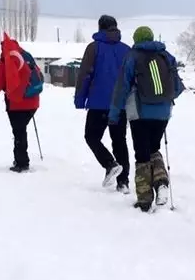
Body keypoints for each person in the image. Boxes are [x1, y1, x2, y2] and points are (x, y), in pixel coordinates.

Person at [108, 26, 184, 212]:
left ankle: (144, 200)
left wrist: (114, 113)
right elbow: (178, 87)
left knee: (142, 154)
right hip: (164, 113)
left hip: (139, 112)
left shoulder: (132, 57)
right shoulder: (166, 56)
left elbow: (122, 87)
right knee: (154, 148)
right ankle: (161, 183)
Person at [75, 14, 132, 190]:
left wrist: (80, 98)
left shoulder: (94, 48)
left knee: (91, 137)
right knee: (119, 141)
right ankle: (123, 182)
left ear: (100, 28)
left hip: (99, 104)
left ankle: (110, 164)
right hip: (120, 105)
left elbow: (85, 74)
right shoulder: (126, 50)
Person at [0, 34, 41, 173]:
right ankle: (21, 159)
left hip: (16, 103)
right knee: (21, 130)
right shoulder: (25, 55)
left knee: (19, 132)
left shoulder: (4, 61)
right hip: (33, 100)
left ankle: (21, 162)